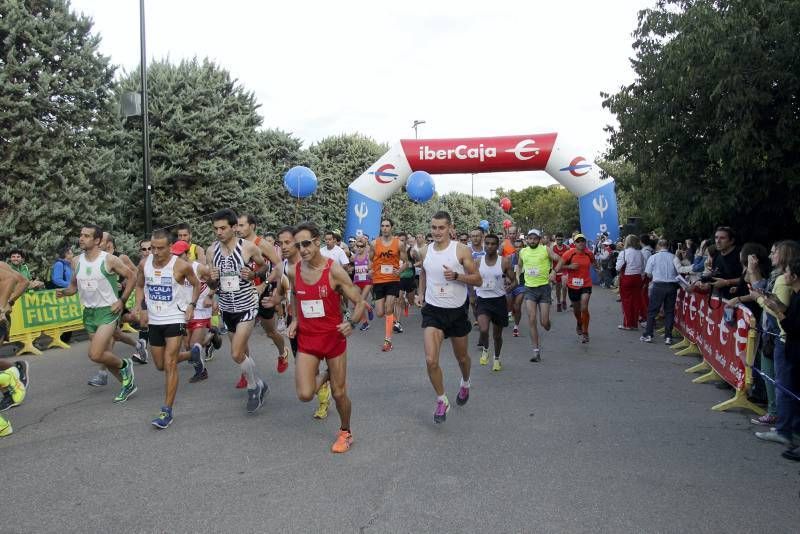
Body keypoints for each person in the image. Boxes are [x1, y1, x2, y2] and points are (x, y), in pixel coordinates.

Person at [285, 222, 366, 452]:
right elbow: (294, 293)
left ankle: (345, 431)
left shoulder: (334, 271)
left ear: (318, 242)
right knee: (304, 394)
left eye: (307, 244)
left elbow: (359, 301)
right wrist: (295, 319)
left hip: (332, 339)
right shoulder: (294, 270)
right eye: (298, 245)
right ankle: (329, 373)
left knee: (339, 393)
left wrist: (351, 322)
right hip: (308, 340)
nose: (302, 249)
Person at [56, 225, 137, 402]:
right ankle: (127, 383)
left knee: (95, 354)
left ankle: (126, 364)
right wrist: (65, 292)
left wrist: (122, 300)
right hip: (89, 313)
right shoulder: (76, 261)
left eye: (86, 236)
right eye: (81, 235)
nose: (81, 238)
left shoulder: (109, 259)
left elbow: (132, 276)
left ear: (97, 241)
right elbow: (73, 287)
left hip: (108, 311)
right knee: (103, 355)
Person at [415, 211, 482, 424]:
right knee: (430, 360)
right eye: (433, 227)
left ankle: (465, 382)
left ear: (449, 228)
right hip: (433, 311)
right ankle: (442, 399)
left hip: (457, 311)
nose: (436, 232)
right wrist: (420, 293)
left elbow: (478, 280)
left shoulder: (460, 250)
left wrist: (457, 276)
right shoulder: (424, 251)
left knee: (462, 358)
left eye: (441, 228)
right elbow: (424, 272)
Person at [134, 231, 204, 428]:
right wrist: (140, 306)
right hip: (154, 320)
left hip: (175, 317)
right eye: (153, 248)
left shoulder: (181, 265)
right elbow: (139, 286)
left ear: (170, 247)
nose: (155, 252)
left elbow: (197, 285)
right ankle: (193, 354)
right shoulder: (144, 264)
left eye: (160, 248)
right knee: (160, 365)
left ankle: (166, 411)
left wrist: (191, 305)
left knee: (170, 362)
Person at [205, 209, 269, 414]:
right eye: (216, 228)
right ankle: (260, 383)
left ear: (233, 227)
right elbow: (212, 283)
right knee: (240, 353)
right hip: (226, 307)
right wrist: (211, 279)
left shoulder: (247, 248)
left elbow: (263, 267)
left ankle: (253, 389)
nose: (219, 232)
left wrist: (253, 274)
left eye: (223, 228)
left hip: (247, 304)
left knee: (235, 353)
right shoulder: (210, 251)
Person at [272, 226, 331, 420]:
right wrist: (273, 299)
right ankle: (323, 390)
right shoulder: (282, 268)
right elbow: (282, 292)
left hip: (320, 322)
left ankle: (324, 395)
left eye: (288, 242)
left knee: (318, 365)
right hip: (296, 323)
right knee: (304, 367)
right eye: (280, 243)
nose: (284, 247)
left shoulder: (314, 265)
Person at [755, 256, 800, 461]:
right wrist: (778, 305)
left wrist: (777, 311)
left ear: (794, 276)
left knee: (788, 389)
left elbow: (793, 326)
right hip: (791, 347)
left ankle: (787, 431)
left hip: (793, 348)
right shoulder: (796, 295)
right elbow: (790, 314)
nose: (784, 275)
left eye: (787, 272)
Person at [237, 214, 289, 378]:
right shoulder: (236, 244)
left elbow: (279, 267)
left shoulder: (262, 244)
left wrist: (264, 284)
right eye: (237, 225)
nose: (238, 229)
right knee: (242, 336)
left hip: (261, 291)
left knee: (271, 332)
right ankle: (247, 373)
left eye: (242, 225)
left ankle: (283, 352)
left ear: (252, 226)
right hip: (241, 294)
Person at [171, 240, 219, 376]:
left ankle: (201, 371)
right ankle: (211, 335)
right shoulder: (173, 268)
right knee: (186, 346)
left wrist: (210, 297)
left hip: (200, 309)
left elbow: (214, 283)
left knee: (193, 345)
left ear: (187, 254)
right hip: (183, 310)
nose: (176, 258)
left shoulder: (199, 268)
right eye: (174, 255)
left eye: (179, 255)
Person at [519, 229, 564, 361]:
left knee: (544, 322)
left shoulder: (546, 250)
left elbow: (560, 259)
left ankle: (547, 323)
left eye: (535, 238)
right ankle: (536, 352)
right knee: (531, 319)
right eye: (530, 238)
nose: (532, 241)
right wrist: (517, 277)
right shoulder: (522, 251)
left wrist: (554, 272)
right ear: (527, 239)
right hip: (529, 289)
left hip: (544, 288)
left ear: (539, 239)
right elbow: (520, 265)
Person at [476, 234, 514, 371]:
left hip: (498, 301)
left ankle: (497, 359)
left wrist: (510, 287)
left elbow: (514, 280)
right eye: (487, 243)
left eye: (493, 244)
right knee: (484, 329)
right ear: (484, 244)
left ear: (497, 246)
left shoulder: (504, 261)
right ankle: (486, 349)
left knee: (497, 336)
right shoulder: (478, 262)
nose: (489, 246)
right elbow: (472, 278)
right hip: (483, 300)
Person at [371, 218, 408, 352]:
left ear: (391, 227)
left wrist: (400, 270)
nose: (385, 228)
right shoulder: (374, 243)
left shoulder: (399, 244)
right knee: (380, 313)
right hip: (378, 280)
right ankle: (391, 320)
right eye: (383, 226)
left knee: (388, 308)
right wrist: (370, 270)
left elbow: (406, 262)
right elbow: (370, 260)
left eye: (387, 226)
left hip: (393, 279)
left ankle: (388, 341)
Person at [640, 239, 685, 344]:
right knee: (669, 311)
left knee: (652, 311)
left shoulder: (653, 257)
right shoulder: (674, 257)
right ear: (668, 246)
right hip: (672, 286)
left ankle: (648, 334)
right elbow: (679, 270)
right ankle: (668, 336)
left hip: (658, 285)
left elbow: (648, 273)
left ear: (658, 246)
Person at [555, 234, 596, 343]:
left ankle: (585, 332)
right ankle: (579, 322)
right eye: (578, 241)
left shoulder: (589, 254)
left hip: (586, 284)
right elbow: (558, 266)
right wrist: (569, 267)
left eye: (583, 241)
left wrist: (598, 268)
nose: (581, 243)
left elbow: (594, 263)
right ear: (574, 243)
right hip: (572, 285)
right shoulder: (569, 253)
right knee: (577, 310)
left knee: (584, 308)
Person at [616, 234, 645, 330]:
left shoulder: (624, 253)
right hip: (638, 278)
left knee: (626, 302)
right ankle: (634, 324)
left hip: (627, 277)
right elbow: (642, 268)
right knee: (636, 301)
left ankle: (628, 324)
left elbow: (618, 267)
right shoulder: (640, 253)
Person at [506, 237, 526, 337]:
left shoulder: (527, 257)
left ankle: (516, 327)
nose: (518, 249)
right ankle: (511, 312)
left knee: (517, 306)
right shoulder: (510, 258)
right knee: (509, 305)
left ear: (524, 247)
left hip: (521, 286)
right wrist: (507, 278)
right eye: (516, 247)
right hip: (511, 285)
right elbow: (505, 271)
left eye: (520, 247)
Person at [551, 233, 570, 311]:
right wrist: (551, 271)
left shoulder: (567, 247)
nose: (559, 241)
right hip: (556, 270)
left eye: (561, 239)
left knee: (564, 285)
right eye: (558, 239)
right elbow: (550, 259)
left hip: (565, 269)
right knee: (558, 288)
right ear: (556, 240)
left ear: (563, 239)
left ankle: (564, 300)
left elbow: (570, 258)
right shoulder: (552, 248)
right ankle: (558, 302)